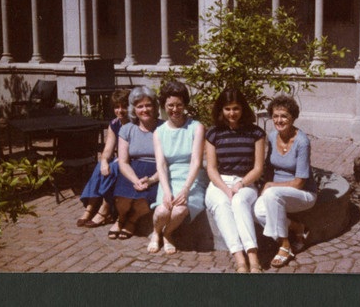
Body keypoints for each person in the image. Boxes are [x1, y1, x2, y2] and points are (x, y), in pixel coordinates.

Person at [205, 89, 265, 273]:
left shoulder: (256, 132)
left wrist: (240, 184)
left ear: (243, 109)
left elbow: (258, 168)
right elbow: (211, 169)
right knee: (222, 205)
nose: (232, 113)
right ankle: (239, 258)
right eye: (227, 109)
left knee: (239, 201)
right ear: (221, 110)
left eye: (236, 108)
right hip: (219, 183)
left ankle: (253, 256)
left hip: (245, 181)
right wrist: (225, 188)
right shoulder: (213, 133)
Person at [254, 94, 318, 268]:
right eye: (275, 116)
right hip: (277, 194)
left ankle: (284, 246)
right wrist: (263, 184)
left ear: (293, 117)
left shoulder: (302, 142)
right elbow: (269, 167)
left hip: (303, 194)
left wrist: (271, 185)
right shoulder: (273, 136)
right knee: (257, 211)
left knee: (272, 194)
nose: (279, 120)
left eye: (284, 116)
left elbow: (299, 183)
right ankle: (297, 227)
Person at [148, 81, 207, 255]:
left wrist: (186, 190)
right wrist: (166, 191)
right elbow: (161, 164)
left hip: (192, 178)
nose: (175, 109)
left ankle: (167, 234)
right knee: (161, 212)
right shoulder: (159, 132)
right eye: (170, 105)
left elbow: (196, 161)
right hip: (169, 178)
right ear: (164, 106)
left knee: (179, 210)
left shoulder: (196, 127)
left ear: (185, 105)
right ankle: (156, 233)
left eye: (179, 105)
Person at [110, 86, 162, 240]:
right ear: (134, 109)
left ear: (155, 107)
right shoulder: (127, 129)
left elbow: (167, 162)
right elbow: (124, 162)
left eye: (148, 105)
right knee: (121, 199)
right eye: (140, 106)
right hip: (132, 169)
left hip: (156, 171)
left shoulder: (164, 128)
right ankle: (120, 218)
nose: (144, 110)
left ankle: (131, 221)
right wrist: (135, 181)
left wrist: (152, 180)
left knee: (143, 201)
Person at [77, 90, 130, 233]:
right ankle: (90, 208)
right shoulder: (114, 124)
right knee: (101, 165)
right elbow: (108, 148)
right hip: (119, 159)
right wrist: (104, 160)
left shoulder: (135, 124)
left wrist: (119, 159)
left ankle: (104, 210)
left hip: (131, 161)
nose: (120, 110)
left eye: (124, 106)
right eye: (117, 107)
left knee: (114, 167)